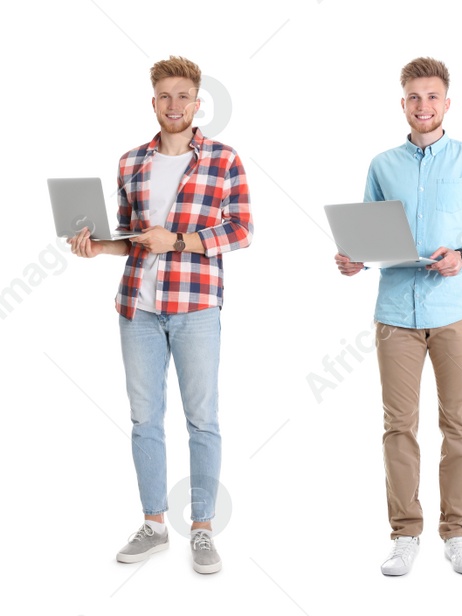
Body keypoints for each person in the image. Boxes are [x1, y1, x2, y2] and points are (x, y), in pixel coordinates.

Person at [69, 55, 254, 575]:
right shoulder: (131, 162)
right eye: (164, 97)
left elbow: (240, 231)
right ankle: (153, 525)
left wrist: (178, 240)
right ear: (153, 103)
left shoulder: (223, 158)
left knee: (203, 420)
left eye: (183, 97)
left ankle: (201, 530)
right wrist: (95, 247)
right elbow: (132, 240)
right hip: (138, 309)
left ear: (198, 104)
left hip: (196, 308)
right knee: (144, 420)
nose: (174, 106)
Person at [334, 57, 462, 577]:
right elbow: (367, 236)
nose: (423, 106)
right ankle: (405, 532)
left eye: (432, 97)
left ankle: (457, 532)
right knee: (398, 427)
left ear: (447, 103)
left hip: (457, 310)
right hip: (395, 312)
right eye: (414, 97)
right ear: (403, 104)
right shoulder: (382, 165)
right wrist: (353, 259)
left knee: (459, 425)